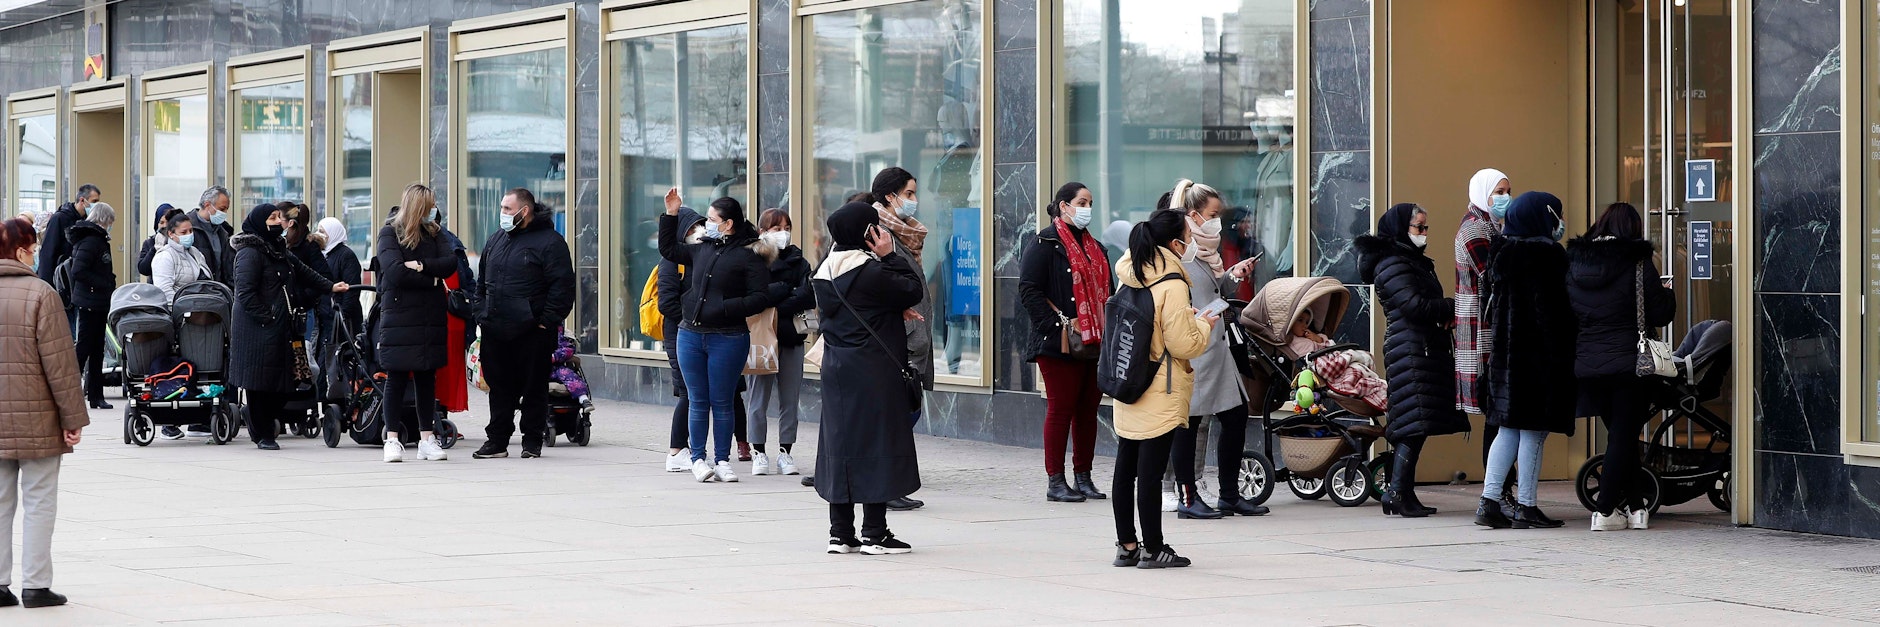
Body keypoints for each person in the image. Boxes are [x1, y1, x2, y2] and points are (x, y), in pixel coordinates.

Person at [812, 201, 926, 555]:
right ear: (868, 233)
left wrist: (889, 306)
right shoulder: (872, 272)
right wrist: (891, 255)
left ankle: (840, 533)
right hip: (874, 370)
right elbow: (913, 288)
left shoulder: (824, 273)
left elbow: (865, 305)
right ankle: (875, 533)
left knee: (840, 446)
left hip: (837, 369)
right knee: (878, 445)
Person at [657, 189, 787, 482]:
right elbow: (668, 249)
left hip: (728, 336)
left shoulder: (748, 257)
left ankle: (722, 460)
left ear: (728, 224)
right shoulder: (701, 248)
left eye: (713, 219)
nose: (707, 225)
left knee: (723, 399)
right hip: (690, 334)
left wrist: (726, 306)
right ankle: (698, 458)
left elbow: (759, 297)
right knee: (698, 399)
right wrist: (671, 214)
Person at [1109, 210, 1214, 569]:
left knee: (1126, 468)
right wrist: (1204, 324)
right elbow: (1184, 345)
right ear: (1174, 243)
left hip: (1129, 379)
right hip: (1160, 385)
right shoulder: (1173, 283)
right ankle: (1154, 548)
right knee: (1151, 474)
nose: (1192, 242)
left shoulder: (1131, 272)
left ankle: (1127, 546)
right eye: (1188, 235)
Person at [1356, 202, 1470, 518]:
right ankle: (1396, 493)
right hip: (1411, 349)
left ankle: (1402, 493)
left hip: (1420, 347)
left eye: (1425, 227)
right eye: (1418, 227)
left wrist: (1444, 312)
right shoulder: (1394, 262)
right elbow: (1414, 306)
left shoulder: (1408, 260)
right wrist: (1451, 307)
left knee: (1416, 422)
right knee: (1412, 424)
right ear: (1399, 229)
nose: (1423, 233)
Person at [1567, 202, 1675, 531]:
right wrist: (1668, 294)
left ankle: (1637, 507)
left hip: (1588, 363)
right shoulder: (1638, 262)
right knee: (1622, 436)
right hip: (1630, 362)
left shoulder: (1574, 264)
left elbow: (1569, 312)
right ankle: (1604, 511)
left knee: (1621, 436)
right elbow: (1660, 314)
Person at [1474, 191, 1577, 530]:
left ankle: (1489, 501)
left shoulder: (1501, 255)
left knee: (1507, 429)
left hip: (1506, 358)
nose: (1559, 223)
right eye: (1556, 215)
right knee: (1534, 432)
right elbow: (1556, 315)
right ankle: (1527, 506)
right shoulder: (1549, 257)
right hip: (1538, 359)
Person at [0, 216, 88, 609]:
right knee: (39, 501)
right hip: (37, 420)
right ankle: (36, 585)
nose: (35, 255)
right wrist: (73, 419)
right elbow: (61, 366)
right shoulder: (41, 293)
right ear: (20, 251)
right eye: (33, 249)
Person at [1164, 179, 1265, 519]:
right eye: (1213, 214)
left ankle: (1229, 494)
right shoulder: (1182, 249)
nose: (1217, 221)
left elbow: (1212, 288)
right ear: (1194, 215)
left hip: (1217, 348)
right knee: (1189, 424)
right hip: (1195, 349)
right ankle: (1187, 496)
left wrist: (1232, 275)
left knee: (1235, 417)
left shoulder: (1206, 247)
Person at [1018, 182, 1112, 503]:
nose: (1087, 208)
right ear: (1063, 206)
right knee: (1061, 408)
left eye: (1090, 202)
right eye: (1081, 202)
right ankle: (1055, 481)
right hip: (1058, 342)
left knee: (1088, 410)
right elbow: (1028, 289)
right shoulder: (1044, 243)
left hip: (1094, 340)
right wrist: (1055, 327)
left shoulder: (1097, 247)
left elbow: (1108, 291)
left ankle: (1083, 477)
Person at [229, 203, 349, 451]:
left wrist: (330, 286)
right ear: (260, 222)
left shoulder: (277, 248)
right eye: (272, 218)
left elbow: (303, 271)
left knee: (283, 382)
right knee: (259, 383)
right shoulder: (250, 252)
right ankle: (262, 434)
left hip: (280, 327)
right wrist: (268, 317)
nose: (278, 222)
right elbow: (245, 294)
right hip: (258, 329)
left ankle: (262, 425)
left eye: (278, 217)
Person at [474, 188, 575, 460]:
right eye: (502, 208)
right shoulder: (497, 239)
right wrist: (481, 313)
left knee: (534, 388)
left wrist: (545, 321)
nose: (503, 214)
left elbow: (562, 287)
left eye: (508, 209)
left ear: (524, 211)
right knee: (499, 389)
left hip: (533, 332)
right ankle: (497, 441)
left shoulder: (550, 242)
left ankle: (532, 441)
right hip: (496, 329)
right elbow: (481, 283)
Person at [374, 185, 457, 463]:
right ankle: (392, 439)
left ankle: (426, 439)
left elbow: (449, 263)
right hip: (399, 318)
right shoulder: (389, 233)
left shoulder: (435, 232)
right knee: (396, 377)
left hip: (429, 317)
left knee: (426, 378)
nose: (434, 210)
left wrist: (420, 266)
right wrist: (432, 279)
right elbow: (395, 271)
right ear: (418, 206)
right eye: (430, 205)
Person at [867, 167, 933, 512]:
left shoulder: (903, 233)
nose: (913, 200)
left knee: (904, 414)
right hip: (897, 342)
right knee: (896, 416)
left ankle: (887, 481)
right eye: (908, 193)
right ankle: (885, 485)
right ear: (889, 196)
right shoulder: (878, 233)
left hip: (912, 340)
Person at [1455, 168, 1513, 495]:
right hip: (1481, 334)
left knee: (1497, 415)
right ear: (1483, 193)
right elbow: (1494, 271)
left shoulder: (1492, 226)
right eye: (1499, 192)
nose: (1505, 198)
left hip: (1488, 328)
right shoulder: (1475, 229)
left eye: (1507, 191)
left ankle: (1501, 488)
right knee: (1495, 416)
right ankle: (1497, 491)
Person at [747, 208, 813, 476]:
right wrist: (786, 289)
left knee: (790, 398)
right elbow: (755, 295)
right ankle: (758, 451)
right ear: (762, 231)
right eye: (776, 228)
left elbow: (808, 296)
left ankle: (786, 452)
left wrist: (776, 298)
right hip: (762, 338)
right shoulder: (753, 260)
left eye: (786, 227)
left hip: (792, 337)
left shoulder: (800, 261)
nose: (782, 233)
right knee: (757, 398)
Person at [661, 208, 706, 472]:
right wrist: (692, 320)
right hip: (679, 333)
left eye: (700, 226)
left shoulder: (701, 256)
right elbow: (667, 302)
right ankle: (676, 450)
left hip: (697, 332)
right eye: (690, 229)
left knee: (694, 393)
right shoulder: (672, 261)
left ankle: (689, 448)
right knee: (688, 393)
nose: (697, 233)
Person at [66, 202, 117, 410]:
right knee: (85, 348)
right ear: (103, 220)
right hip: (90, 301)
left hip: (97, 301)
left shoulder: (97, 239)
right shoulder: (91, 241)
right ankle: (70, 393)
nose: (111, 225)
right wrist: (104, 282)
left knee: (96, 350)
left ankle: (96, 395)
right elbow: (79, 271)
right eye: (110, 221)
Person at [35, 185, 98, 285]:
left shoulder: (87, 221)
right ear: (82, 200)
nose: (96, 205)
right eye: (94, 201)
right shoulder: (60, 218)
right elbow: (48, 251)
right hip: (60, 277)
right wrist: (46, 283)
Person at [318, 217, 364, 344]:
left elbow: (352, 289)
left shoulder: (345, 255)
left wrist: (342, 315)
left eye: (323, 232)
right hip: (326, 319)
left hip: (341, 321)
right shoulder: (325, 255)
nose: (319, 235)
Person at [151, 211, 212, 301]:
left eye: (191, 231)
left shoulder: (195, 253)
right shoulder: (165, 256)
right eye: (183, 232)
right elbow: (164, 291)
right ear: (171, 234)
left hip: (201, 307)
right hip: (180, 310)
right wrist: (182, 308)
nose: (189, 235)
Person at [187, 186, 235, 281]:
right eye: (221, 209)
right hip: (197, 289)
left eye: (226, 209)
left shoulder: (224, 231)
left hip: (220, 290)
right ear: (207, 205)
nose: (225, 213)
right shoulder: (187, 228)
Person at [549, 326, 592, 408]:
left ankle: (583, 399)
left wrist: (554, 356)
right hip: (539, 367)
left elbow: (568, 349)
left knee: (570, 376)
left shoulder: (562, 333)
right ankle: (527, 396)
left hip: (558, 366)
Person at [137, 204, 179, 281]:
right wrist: (155, 249)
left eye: (168, 222)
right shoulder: (149, 243)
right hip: (155, 289)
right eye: (161, 222)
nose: (165, 226)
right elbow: (143, 269)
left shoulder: (180, 241)